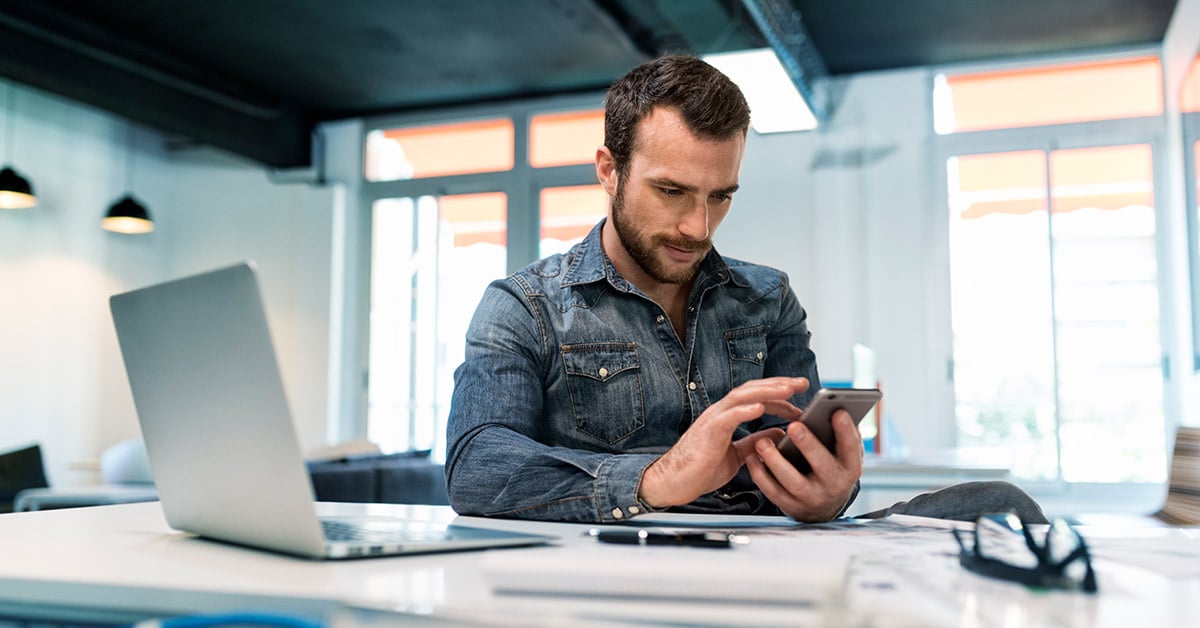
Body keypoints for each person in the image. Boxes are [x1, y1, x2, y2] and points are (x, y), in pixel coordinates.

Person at [445, 54, 1047, 525]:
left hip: (764, 549)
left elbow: (811, 464)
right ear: (610, 170)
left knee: (1000, 504)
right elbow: (475, 467)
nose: (698, 227)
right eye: (672, 192)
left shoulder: (768, 299)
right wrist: (656, 479)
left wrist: (829, 494)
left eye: (720, 196)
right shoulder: (524, 307)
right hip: (624, 552)